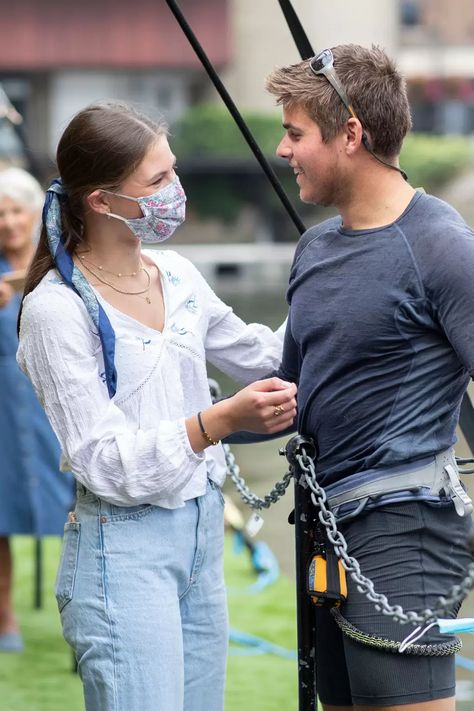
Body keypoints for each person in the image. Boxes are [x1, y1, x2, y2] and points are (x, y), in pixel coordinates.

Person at [16, 101, 296, 710]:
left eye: (174, 171)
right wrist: (219, 421)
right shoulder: (54, 310)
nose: (177, 191)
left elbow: (264, 355)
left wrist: (336, 289)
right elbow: (103, 463)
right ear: (102, 201)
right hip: (122, 550)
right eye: (158, 180)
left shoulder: (177, 273)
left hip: (201, 534)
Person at [265, 44, 474, 710]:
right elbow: (292, 399)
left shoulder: (441, 245)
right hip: (325, 529)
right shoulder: (314, 248)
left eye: (296, 133)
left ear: (350, 133)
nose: (282, 149)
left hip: (406, 529)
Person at [0, 167, 75, 653]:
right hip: (3, 409)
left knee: (76, 505)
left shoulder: (59, 265)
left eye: (16, 210)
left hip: (53, 405)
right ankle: (3, 616)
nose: (8, 222)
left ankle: (81, 608)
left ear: (34, 213)